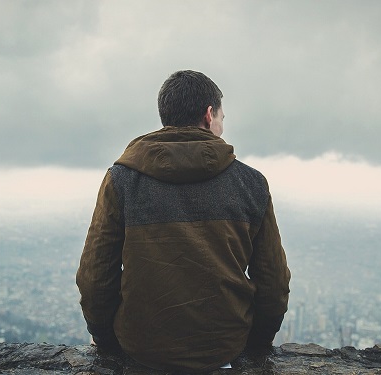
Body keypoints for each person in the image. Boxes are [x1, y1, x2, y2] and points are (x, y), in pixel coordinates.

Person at [76, 70, 290, 373]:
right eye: (222, 118)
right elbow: (273, 282)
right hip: (224, 350)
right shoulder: (251, 183)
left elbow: (95, 276)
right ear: (208, 115)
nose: (221, 126)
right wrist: (256, 344)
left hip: (140, 350)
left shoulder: (121, 180)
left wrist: (106, 339)